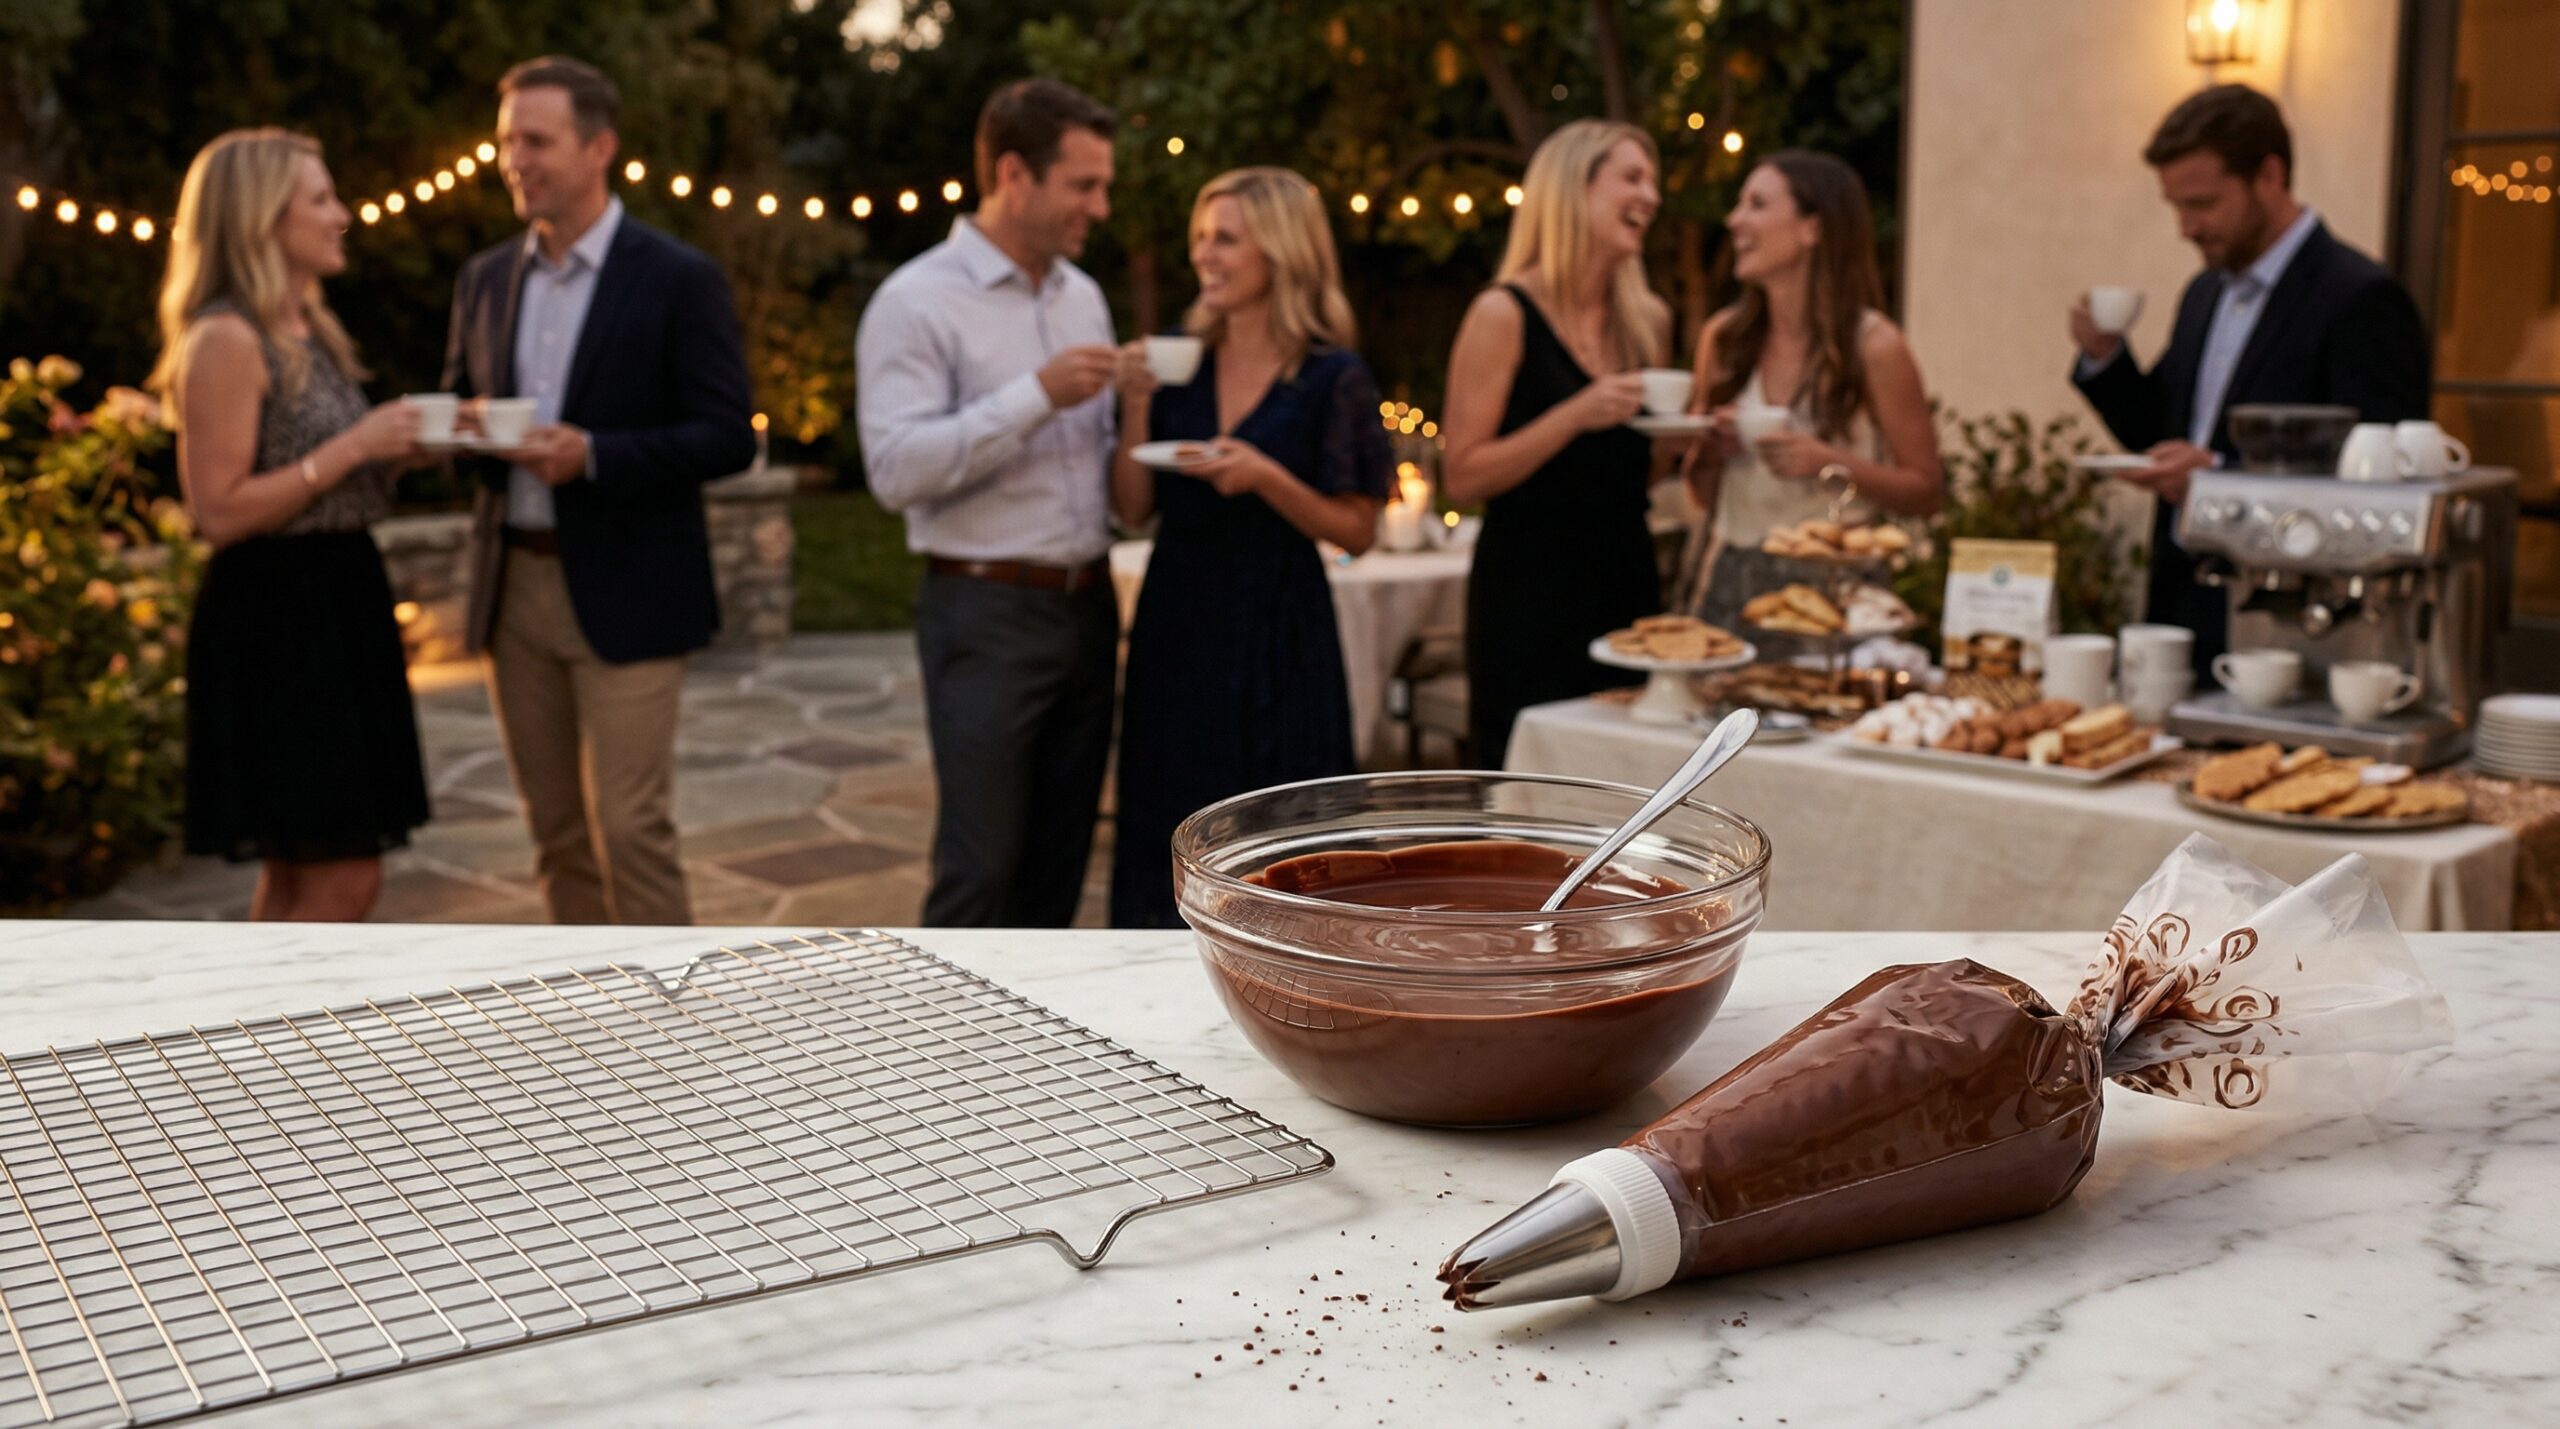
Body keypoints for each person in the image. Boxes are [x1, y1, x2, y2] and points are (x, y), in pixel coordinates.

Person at [442, 56, 757, 925]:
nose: (515, 159)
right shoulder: (484, 278)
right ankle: (586, 1021)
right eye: (507, 141)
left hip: (633, 586)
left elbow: (728, 436)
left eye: (535, 141)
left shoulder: (675, 276)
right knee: (553, 833)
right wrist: (463, 433)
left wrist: (595, 455)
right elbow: (461, 423)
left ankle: (669, 1038)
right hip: (512, 589)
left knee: (630, 827)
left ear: (600, 148)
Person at [855, 78, 1121, 927]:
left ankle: (1041, 1056)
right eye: (1084, 185)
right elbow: (895, 469)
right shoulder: (915, 301)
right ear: (1015, 174)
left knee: (1060, 862)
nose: (1101, 207)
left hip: (1089, 604)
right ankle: (944, 1053)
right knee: (981, 866)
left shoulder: (1084, 296)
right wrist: (1035, 394)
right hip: (984, 610)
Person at [149, 129, 429, 920]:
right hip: (279, 619)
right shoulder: (225, 339)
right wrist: (353, 446)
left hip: (341, 599)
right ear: (262, 218)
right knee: (344, 878)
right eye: (320, 199)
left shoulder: (310, 330)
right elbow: (221, 511)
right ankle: (288, 1037)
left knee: (301, 874)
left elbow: (323, 475)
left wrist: (405, 450)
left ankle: (250, 1039)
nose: (341, 215)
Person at [1105, 167, 1394, 929]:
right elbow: (1133, 508)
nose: (1205, 253)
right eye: (1200, 237)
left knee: (1282, 828)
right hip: (1181, 617)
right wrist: (1134, 398)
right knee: (1167, 813)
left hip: (1282, 623)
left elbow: (1358, 529)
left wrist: (1265, 476)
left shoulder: (1333, 376)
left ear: (1280, 249)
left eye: (1225, 237)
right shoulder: (1177, 360)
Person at [2069, 83, 2430, 671]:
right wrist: (2105, 358)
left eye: (2203, 204)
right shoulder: (2205, 293)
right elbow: (2157, 433)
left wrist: (2216, 479)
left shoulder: (2361, 297)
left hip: (2295, 624)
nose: (2186, 227)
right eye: (2176, 207)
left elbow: (2379, 483)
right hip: (2182, 611)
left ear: (2269, 175)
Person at [1440, 119, 1679, 768]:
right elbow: (1462, 476)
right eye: (1632, 177)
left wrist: (1693, 444)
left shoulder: (1648, 321)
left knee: (1630, 781)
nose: (1651, 197)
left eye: (1652, 181)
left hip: (1627, 582)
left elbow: (1638, 469)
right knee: (1532, 799)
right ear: (1574, 189)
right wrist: (1573, 414)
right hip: (1527, 593)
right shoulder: (1503, 313)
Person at [1682, 151, 1943, 633]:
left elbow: (1927, 491)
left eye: (1756, 204)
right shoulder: (1724, 340)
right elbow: (1700, 494)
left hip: (1838, 588)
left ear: (1812, 229)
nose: (1735, 220)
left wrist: (1826, 461)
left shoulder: (1875, 345)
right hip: (1734, 581)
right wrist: (1712, 451)